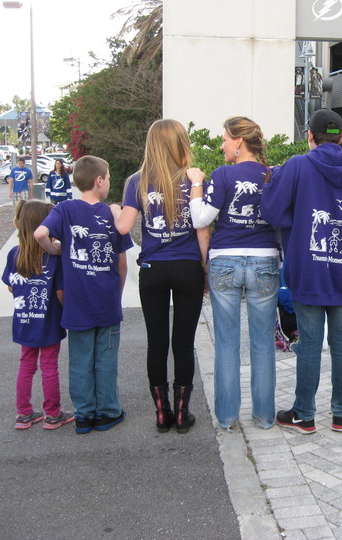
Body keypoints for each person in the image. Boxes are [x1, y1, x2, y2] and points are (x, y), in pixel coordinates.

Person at [261, 108, 342, 434]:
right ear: (340, 138)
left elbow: (272, 211)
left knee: (309, 344)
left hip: (308, 269)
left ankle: (304, 414)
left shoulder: (296, 166)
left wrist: (272, 181)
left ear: (309, 136)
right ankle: (341, 412)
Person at [111, 119, 210, 434]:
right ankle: (182, 413)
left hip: (152, 269)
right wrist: (205, 268)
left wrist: (114, 210)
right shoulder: (193, 179)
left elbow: (124, 227)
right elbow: (202, 228)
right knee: (183, 342)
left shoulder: (136, 182)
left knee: (156, 343)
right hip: (187, 267)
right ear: (180, 144)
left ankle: (161, 413)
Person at [187, 116, 280, 431]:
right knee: (263, 343)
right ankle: (265, 416)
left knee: (226, 344)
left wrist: (197, 183)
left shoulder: (223, 175)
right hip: (265, 261)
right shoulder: (272, 174)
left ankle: (227, 418)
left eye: (225, 138)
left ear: (239, 142)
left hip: (225, 261)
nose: (222, 144)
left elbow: (201, 219)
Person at [35, 155, 133, 434]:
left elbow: (40, 233)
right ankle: (107, 412)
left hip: (77, 302)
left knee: (79, 360)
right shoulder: (112, 214)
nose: (109, 182)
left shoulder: (65, 209)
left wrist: (55, 248)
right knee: (106, 359)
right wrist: (118, 293)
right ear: (99, 181)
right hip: (106, 300)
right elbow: (121, 263)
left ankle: (83, 414)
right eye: (109, 178)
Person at [4, 200, 72, 430]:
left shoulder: (14, 254)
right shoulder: (54, 257)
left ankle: (24, 414)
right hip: (49, 321)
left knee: (26, 365)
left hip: (24, 320)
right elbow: (61, 293)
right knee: (49, 365)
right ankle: (52, 414)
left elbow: (12, 287)